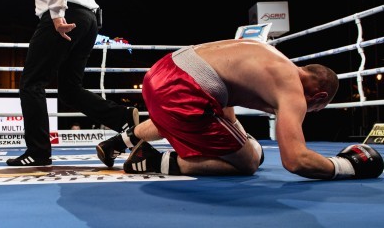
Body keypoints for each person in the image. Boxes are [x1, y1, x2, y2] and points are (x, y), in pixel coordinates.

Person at [97, 39, 384, 180]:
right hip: (184, 90)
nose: (312, 111)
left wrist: (239, 138)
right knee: (249, 162)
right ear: (319, 96)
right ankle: (149, 160)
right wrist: (348, 167)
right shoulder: (292, 89)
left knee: (186, 119)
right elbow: (295, 160)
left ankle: (117, 142)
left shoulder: (270, 55)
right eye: (318, 107)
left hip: (161, 72)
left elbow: (225, 108)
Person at [6, 0, 138, 167]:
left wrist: (56, 14)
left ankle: (38, 152)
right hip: (89, 21)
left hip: (65, 16)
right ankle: (122, 117)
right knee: (69, 88)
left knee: (32, 83)